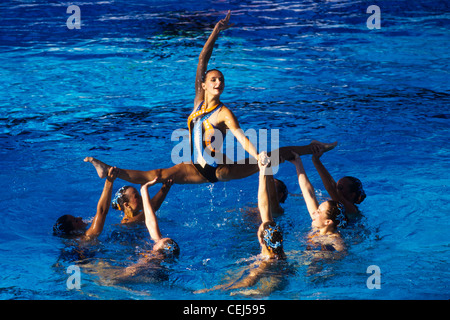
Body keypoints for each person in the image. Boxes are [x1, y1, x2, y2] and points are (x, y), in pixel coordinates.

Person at [83, 11, 337, 186]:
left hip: (219, 170)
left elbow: (240, 135)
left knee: (273, 155)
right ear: (203, 84)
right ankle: (111, 171)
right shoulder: (197, 103)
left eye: (221, 80)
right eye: (213, 79)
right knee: (157, 174)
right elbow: (202, 60)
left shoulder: (224, 113)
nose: (218, 83)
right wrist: (215, 30)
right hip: (195, 166)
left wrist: (257, 155)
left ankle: (313, 147)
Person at [195, 153, 287, 295]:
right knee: (232, 274)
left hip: (269, 290)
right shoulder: (276, 251)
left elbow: (249, 282)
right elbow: (263, 205)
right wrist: (263, 171)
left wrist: (213, 290)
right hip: (278, 278)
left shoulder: (267, 263)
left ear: (261, 240)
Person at [288, 151, 346, 252]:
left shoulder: (335, 240)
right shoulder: (319, 226)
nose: (314, 212)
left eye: (319, 211)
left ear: (328, 222)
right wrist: (298, 163)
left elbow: (342, 256)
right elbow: (308, 192)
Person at [53, 167, 119, 239]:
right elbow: (102, 211)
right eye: (76, 220)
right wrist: (109, 181)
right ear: (74, 232)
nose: (80, 218)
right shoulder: (88, 237)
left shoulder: (75, 242)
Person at [311, 144, 366, 220]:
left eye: (340, 188)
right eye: (337, 185)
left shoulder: (351, 209)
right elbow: (331, 186)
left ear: (352, 195)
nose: (336, 189)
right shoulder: (334, 202)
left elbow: (331, 188)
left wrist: (316, 160)